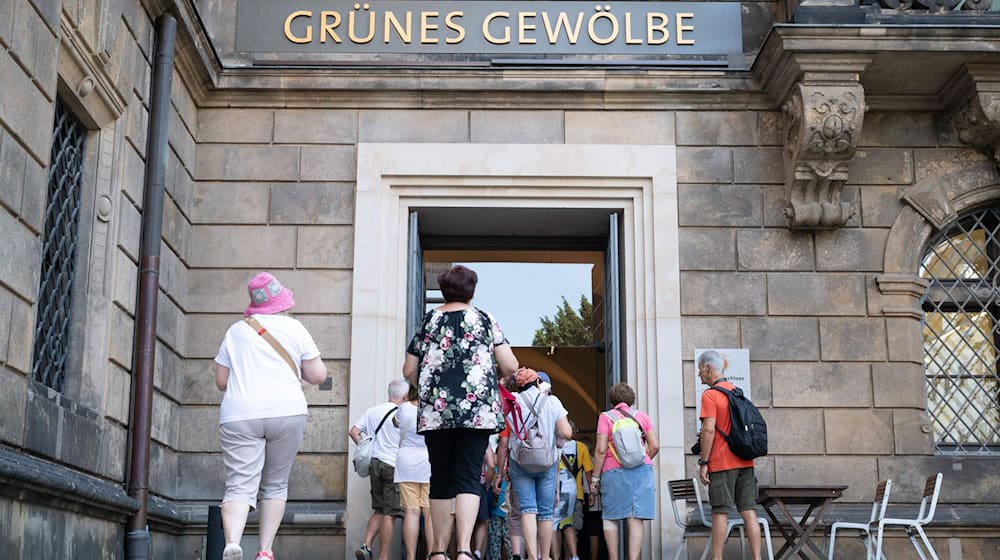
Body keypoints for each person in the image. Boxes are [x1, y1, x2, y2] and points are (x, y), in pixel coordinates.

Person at [403, 265, 520, 560]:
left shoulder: (429, 320)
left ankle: (439, 552)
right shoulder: (484, 318)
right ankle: (466, 550)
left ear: (443, 290)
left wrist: (431, 388)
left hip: (435, 413)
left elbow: (408, 370)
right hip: (476, 412)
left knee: (441, 477)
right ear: (472, 291)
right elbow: (510, 366)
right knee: (469, 477)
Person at [214, 272, 329, 560]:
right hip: (286, 410)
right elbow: (317, 375)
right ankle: (265, 551)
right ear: (281, 301)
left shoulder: (235, 331)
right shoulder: (295, 328)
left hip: (240, 412)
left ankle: (232, 542)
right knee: (276, 483)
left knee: (239, 484)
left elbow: (221, 381)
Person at [697, 351, 762, 560]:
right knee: (749, 510)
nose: (699, 375)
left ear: (708, 368)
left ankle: (717, 558)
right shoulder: (737, 392)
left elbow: (708, 429)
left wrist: (704, 461)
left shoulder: (710, 395)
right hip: (745, 460)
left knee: (720, 511)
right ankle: (757, 558)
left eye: (699, 369)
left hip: (722, 462)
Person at [505, 368, 573, 560]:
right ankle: (545, 557)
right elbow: (567, 433)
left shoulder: (513, 401)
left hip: (520, 461)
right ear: (537, 383)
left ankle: (532, 557)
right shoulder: (552, 401)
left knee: (527, 509)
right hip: (547, 461)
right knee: (545, 513)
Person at [589, 383, 659, 560]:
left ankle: (613, 558)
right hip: (642, 471)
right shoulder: (641, 416)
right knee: (635, 518)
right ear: (631, 399)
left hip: (613, 472)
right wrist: (640, 460)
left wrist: (595, 479)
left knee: (610, 517)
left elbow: (601, 449)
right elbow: (655, 446)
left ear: (612, 399)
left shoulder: (606, 417)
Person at [349, 379, 409, 560]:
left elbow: (353, 431)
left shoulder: (373, 411)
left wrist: (366, 447)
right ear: (405, 396)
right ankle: (384, 557)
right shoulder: (402, 413)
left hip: (375, 463)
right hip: (393, 464)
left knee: (379, 509)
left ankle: (366, 545)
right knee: (390, 514)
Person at [394, 383, 434, 560]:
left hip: (406, 461)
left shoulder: (403, 408)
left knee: (411, 512)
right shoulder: (433, 408)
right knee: (430, 512)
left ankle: (410, 557)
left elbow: (396, 423)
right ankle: (433, 554)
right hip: (430, 461)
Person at [552, 420, 593, 560]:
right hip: (577, 493)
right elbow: (588, 472)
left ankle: (557, 557)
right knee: (570, 527)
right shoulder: (581, 447)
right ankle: (573, 557)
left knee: (555, 526)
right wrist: (592, 492)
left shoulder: (554, 446)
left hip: (556, 491)